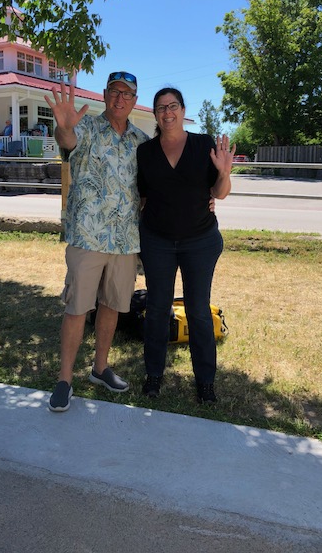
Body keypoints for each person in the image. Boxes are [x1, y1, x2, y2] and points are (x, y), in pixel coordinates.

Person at [43, 72, 149, 412]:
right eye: (115, 91)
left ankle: (100, 368)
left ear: (134, 101)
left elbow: (155, 185)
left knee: (112, 305)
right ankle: (64, 379)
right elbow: (67, 140)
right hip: (87, 236)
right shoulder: (86, 128)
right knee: (77, 307)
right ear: (104, 95)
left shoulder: (142, 141)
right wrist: (63, 127)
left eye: (127, 94)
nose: (120, 98)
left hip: (125, 241)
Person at [136, 87, 235, 404]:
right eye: (161, 107)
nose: (167, 112)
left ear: (182, 109)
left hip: (200, 241)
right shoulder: (145, 152)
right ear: (155, 114)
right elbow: (143, 198)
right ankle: (153, 376)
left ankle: (205, 382)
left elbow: (219, 193)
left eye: (173, 106)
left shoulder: (203, 144)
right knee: (157, 309)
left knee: (198, 311)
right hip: (157, 241)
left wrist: (224, 173)